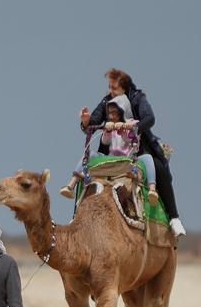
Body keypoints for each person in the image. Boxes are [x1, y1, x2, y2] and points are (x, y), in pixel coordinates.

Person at [79, 68, 186, 237]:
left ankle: (174, 218)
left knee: (160, 169)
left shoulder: (137, 98)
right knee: (85, 168)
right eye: (109, 87)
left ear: (124, 88)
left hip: (138, 146)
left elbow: (149, 118)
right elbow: (94, 122)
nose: (110, 91)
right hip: (112, 148)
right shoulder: (107, 100)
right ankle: (78, 216)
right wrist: (86, 122)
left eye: (113, 88)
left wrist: (132, 127)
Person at [61, 94, 160, 206]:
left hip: (128, 158)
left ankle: (152, 189)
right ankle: (71, 185)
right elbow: (105, 141)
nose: (112, 116)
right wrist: (107, 131)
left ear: (123, 111)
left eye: (115, 112)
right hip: (110, 157)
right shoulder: (110, 125)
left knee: (148, 158)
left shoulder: (132, 123)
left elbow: (132, 138)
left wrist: (124, 128)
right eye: (110, 113)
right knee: (91, 154)